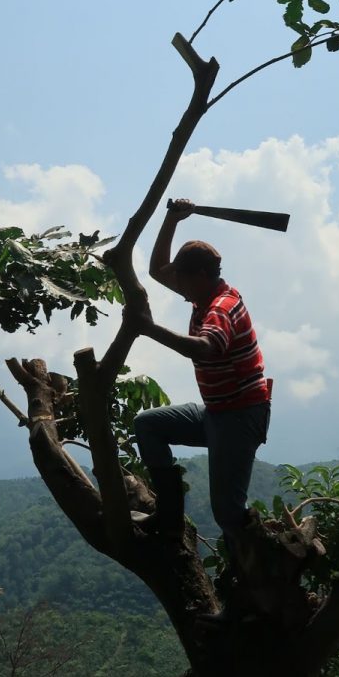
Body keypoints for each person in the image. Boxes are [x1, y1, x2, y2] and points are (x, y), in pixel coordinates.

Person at [131, 198, 271, 561]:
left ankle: (252, 588)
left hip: (240, 416)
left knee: (227, 512)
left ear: (199, 277)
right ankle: (170, 518)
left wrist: (148, 329)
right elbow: (157, 269)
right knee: (148, 426)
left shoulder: (221, 307)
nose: (175, 284)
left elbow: (205, 348)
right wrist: (172, 219)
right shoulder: (202, 292)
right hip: (216, 412)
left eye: (181, 278)